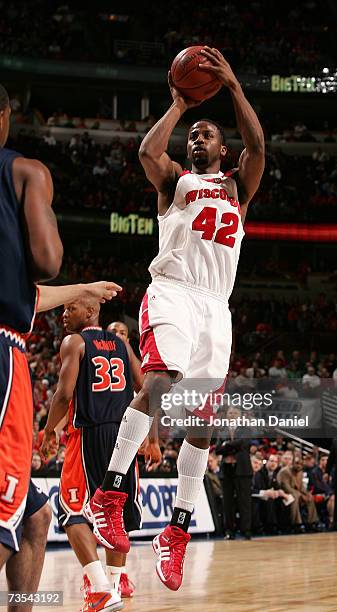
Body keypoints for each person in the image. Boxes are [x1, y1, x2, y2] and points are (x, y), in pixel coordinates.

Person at [85, 46, 265, 592]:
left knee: (203, 421)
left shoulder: (236, 187)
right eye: (194, 135)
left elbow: (258, 145)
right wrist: (178, 106)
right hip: (173, 292)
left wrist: (232, 87)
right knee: (160, 384)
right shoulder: (175, 184)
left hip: (217, 307)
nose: (197, 138)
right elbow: (147, 150)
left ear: (223, 147)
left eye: (207, 133)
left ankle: (177, 532)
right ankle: (109, 496)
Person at [41, 305, 159, 611]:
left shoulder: (76, 342)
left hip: (89, 435)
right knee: (114, 514)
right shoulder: (121, 345)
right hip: (124, 437)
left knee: (71, 511)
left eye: (71, 308)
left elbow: (64, 395)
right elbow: (147, 387)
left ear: (91, 310)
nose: (64, 314)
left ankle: (99, 589)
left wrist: (49, 431)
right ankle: (114, 583)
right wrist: (153, 436)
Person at [0, 83, 63, 593]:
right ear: (5, 116)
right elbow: (46, 262)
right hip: (2, 350)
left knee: (34, 519)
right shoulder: (25, 171)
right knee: (3, 515)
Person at [215, 406, 253, 540]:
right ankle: (229, 531)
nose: (232, 415)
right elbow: (217, 450)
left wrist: (226, 445)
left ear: (240, 415)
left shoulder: (246, 429)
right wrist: (228, 446)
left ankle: (246, 531)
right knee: (227, 503)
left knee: (244, 502)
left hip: (242, 470)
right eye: (230, 413)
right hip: (226, 470)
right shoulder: (222, 430)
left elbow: (242, 443)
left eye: (235, 413)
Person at [277, 455, 319, 532]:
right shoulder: (285, 472)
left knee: (310, 497)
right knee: (295, 497)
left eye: (300, 464)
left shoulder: (300, 472)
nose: (299, 466)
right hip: (283, 495)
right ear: (292, 463)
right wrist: (300, 495)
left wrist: (306, 494)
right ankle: (296, 524)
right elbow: (286, 488)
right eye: (296, 463)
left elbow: (301, 487)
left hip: (295, 493)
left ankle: (311, 523)